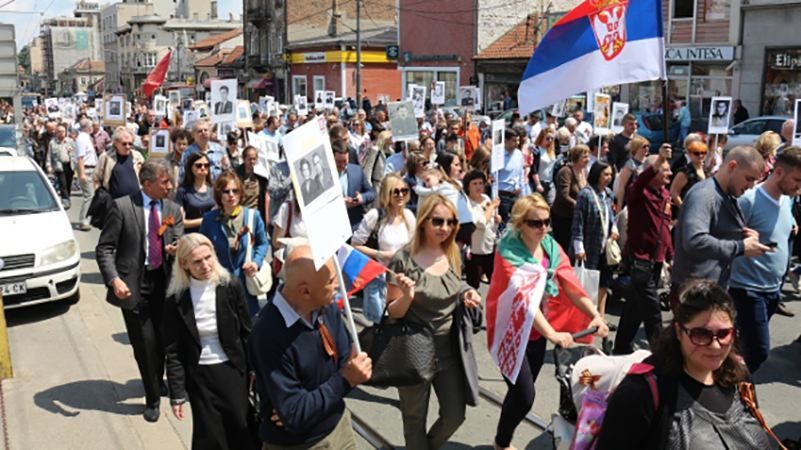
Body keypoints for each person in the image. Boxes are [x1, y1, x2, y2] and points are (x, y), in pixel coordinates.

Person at [487, 193, 608, 450]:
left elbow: (572, 287)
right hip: (510, 332)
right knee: (524, 395)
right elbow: (524, 300)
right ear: (520, 223)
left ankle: (501, 438)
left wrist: (595, 314)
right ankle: (501, 443)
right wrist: (553, 333)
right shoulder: (508, 250)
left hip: (536, 333)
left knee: (519, 394)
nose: (543, 227)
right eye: (535, 223)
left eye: (546, 221)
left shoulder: (551, 247)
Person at [597, 280, 771, 450]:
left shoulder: (739, 374)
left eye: (724, 334)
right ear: (679, 332)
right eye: (701, 334)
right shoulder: (641, 391)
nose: (715, 345)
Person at [248, 245, 372, 449]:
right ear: (305, 291)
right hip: (301, 444)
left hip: (339, 427)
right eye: (331, 281)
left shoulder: (327, 307)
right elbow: (295, 415)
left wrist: (306, 403)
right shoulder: (267, 335)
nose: (338, 287)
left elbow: (346, 359)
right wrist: (345, 380)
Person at [387, 194, 482, 450]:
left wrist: (467, 292)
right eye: (438, 221)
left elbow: (456, 283)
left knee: (454, 415)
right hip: (413, 353)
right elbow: (393, 312)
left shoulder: (453, 253)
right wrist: (407, 296)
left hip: (448, 351)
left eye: (451, 222)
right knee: (414, 419)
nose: (445, 228)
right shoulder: (402, 260)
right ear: (423, 221)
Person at [95, 158, 184, 422]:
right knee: (145, 345)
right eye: (164, 182)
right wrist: (114, 280)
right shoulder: (122, 207)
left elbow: (178, 238)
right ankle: (153, 397)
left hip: (165, 286)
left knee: (164, 342)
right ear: (147, 184)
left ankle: (157, 381)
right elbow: (105, 248)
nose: (169, 186)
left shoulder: (173, 209)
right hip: (134, 287)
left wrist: (176, 248)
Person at [163, 233, 257, 450]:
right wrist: (177, 394)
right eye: (197, 261)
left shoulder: (230, 285)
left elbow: (246, 332)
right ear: (184, 264)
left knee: (240, 428)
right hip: (200, 376)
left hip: (232, 370)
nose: (205, 265)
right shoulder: (176, 298)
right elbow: (173, 349)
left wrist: (254, 369)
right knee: (210, 435)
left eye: (208, 257)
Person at [728, 147, 801, 373]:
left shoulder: (785, 201)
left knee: (743, 346)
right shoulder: (749, 199)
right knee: (759, 350)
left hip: (772, 289)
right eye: (797, 179)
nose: (799, 186)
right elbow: (727, 236)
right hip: (747, 288)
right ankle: (732, 387)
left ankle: (725, 383)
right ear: (778, 172)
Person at [672, 146, 769, 297]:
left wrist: (745, 238)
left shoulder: (726, 194)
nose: (750, 186)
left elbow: (719, 233)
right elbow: (695, 241)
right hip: (695, 294)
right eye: (749, 179)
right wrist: (740, 247)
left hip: (710, 289)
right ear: (732, 167)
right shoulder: (704, 195)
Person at [613, 146, 674, 355]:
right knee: (652, 311)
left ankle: (621, 347)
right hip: (641, 261)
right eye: (665, 170)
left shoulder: (664, 195)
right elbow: (638, 182)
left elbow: (664, 229)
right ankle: (661, 355)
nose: (670, 174)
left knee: (634, 309)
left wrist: (670, 255)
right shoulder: (639, 193)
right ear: (654, 172)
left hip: (656, 261)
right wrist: (656, 163)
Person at [199, 171, 270, 317]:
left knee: (249, 329)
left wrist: (256, 263)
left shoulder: (252, 216)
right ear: (219, 194)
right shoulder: (209, 219)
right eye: (226, 191)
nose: (231, 195)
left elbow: (262, 244)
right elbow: (202, 249)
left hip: (245, 284)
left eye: (235, 191)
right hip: (219, 283)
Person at [351, 173, 416, 323]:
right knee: (382, 322)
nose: (401, 195)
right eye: (396, 191)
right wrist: (382, 254)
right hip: (381, 280)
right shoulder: (375, 216)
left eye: (404, 191)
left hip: (405, 278)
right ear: (387, 194)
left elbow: (414, 245)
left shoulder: (408, 216)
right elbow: (355, 245)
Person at [571, 161, 619, 323]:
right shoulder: (585, 194)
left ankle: (601, 316)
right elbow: (578, 222)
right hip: (589, 245)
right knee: (585, 282)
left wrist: (614, 229)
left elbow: (611, 215)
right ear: (597, 174)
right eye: (605, 174)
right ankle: (582, 316)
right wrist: (578, 246)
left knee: (603, 282)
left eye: (610, 175)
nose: (608, 178)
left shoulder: (609, 194)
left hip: (604, 246)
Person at [463, 170, 499, 289]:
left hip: (489, 248)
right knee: (473, 285)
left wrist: (496, 221)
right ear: (468, 186)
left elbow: (490, 223)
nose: (478, 187)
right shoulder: (467, 203)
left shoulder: (486, 198)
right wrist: (493, 206)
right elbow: (481, 223)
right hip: (475, 251)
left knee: (495, 282)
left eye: (481, 183)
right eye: (475, 184)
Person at [551, 145, 590, 252]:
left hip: (576, 216)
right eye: (585, 157)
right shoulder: (566, 172)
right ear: (576, 158)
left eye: (588, 156)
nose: (588, 159)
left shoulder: (584, 172)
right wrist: (577, 204)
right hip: (563, 216)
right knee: (563, 246)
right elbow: (564, 195)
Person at [333, 140, 376, 231]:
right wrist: (339, 202)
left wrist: (361, 198)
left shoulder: (356, 171)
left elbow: (371, 193)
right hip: (334, 226)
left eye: (345, 161)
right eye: (338, 162)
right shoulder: (325, 176)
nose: (342, 165)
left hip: (354, 225)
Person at [93, 127, 145, 199]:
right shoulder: (106, 157)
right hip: (113, 203)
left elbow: (145, 176)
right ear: (116, 143)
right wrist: (101, 196)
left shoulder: (137, 156)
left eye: (130, 144)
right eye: (124, 144)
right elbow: (96, 179)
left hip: (135, 202)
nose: (127, 147)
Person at [175, 153, 216, 233]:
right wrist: (205, 220)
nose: (203, 168)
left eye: (206, 165)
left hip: (212, 236)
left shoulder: (214, 189)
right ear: (191, 168)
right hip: (192, 237)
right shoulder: (183, 191)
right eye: (198, 165)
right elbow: (180, 222)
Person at [497, 128, 527, 223]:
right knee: (503, 225)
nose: (517, 143)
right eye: (514, 140)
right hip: (503, 196)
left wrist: (523, 194)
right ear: (505, 141)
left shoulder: (518, 154)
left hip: (516, 195)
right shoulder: (498, 156)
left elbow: (520, 174)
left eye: (517, 140)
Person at [235, 145, 270, 224]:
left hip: (256, 216)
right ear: (243, 159)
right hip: (241, 216)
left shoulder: (261, 177)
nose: (252, 162)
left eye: (254, 159)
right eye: (249, 159)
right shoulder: (236, 177)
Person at [614, 135, 649, 211]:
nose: (647, 148)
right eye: (644, 146)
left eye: (647, 146)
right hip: (631, 202)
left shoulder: (648, 162)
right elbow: (622, 186)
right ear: (636, 148)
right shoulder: (630, 164)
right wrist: (619, 207)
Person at [670, 141, 708, 208]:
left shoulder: (705, 169)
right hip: (688, 207)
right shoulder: (685, 172)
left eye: (704, 152)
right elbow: (674, 192)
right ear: (689, 154)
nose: (701, 156)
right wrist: (682, 207)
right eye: (697, 153)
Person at [46, 123, 76, 208]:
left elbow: (76, 154)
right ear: (56, 132)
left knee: (68, 183)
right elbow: (49, 155)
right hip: (59, 165)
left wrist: (72, 152)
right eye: (59, 131)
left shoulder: (70, 141)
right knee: (62, 184)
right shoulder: (53, 142)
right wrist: (49, 165)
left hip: (69, 165)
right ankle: (65, 200)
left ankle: (67, 198)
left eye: (63, 131)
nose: (61, 133)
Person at [531, 128, 559, 205]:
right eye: (547, 138)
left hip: (550, 183)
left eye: (551, 139)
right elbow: (534, 169)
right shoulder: (537, 150)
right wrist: (538, 184)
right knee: (538, 205)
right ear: (542, 138)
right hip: (540, 182)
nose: (550, 140)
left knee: (551, 204)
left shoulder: (552, 151)